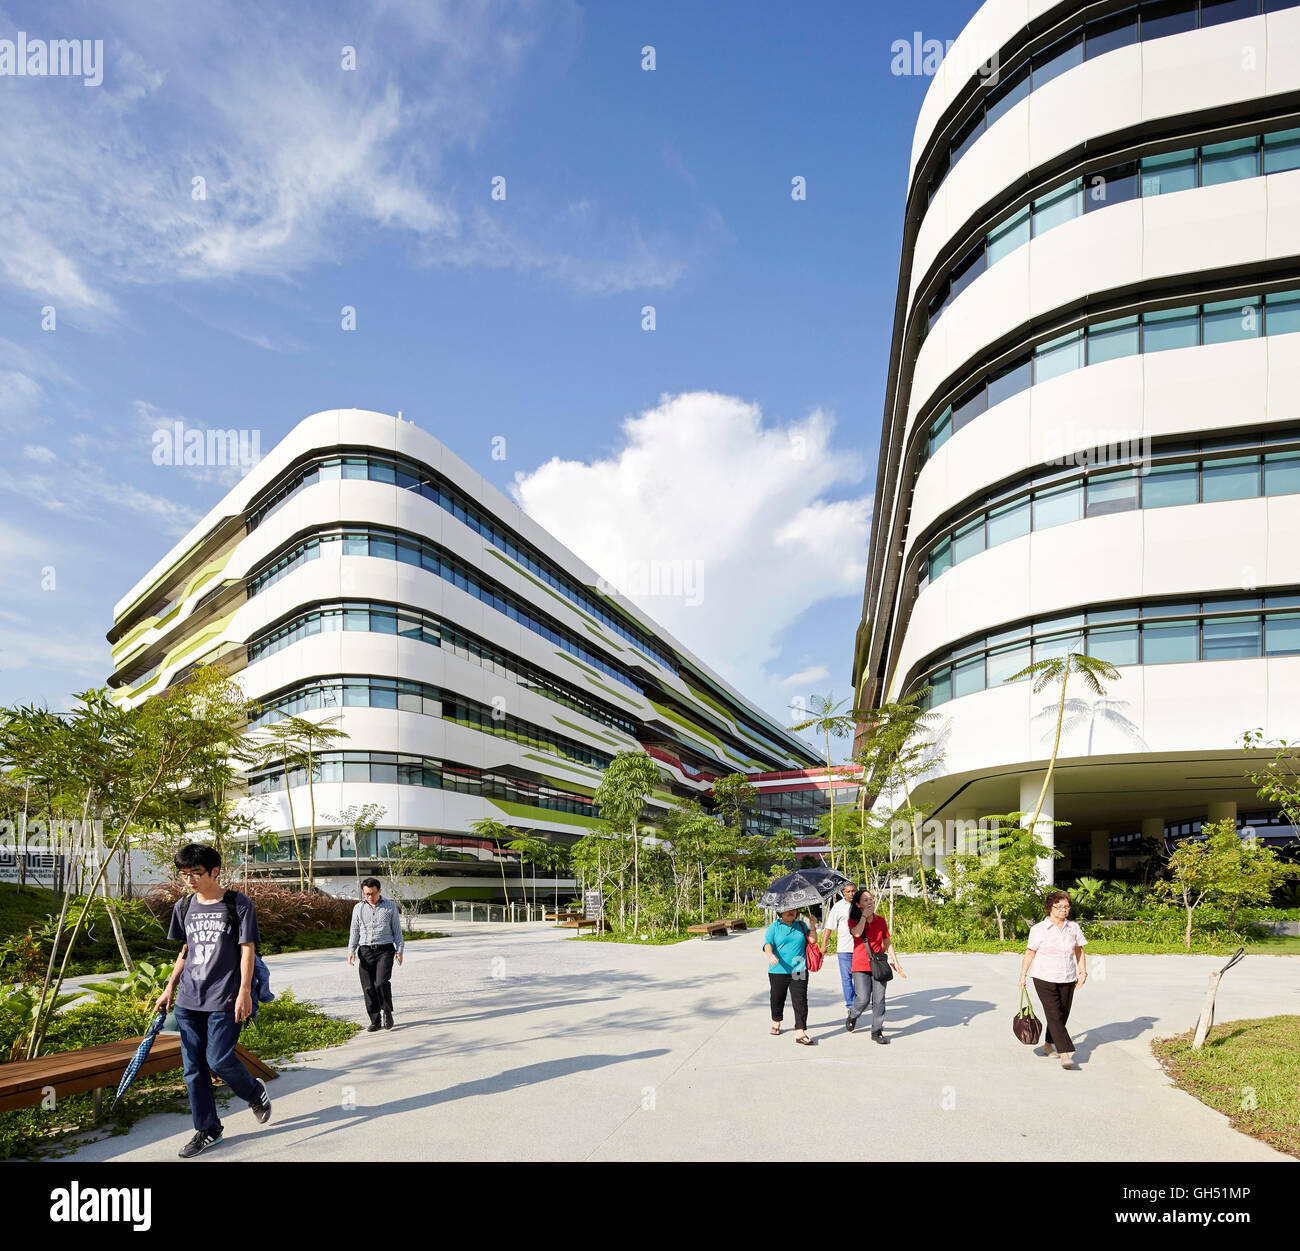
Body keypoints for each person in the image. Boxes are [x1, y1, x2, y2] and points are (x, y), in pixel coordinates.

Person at [157, 843, 271, 1159]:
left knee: (218, 1059)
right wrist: (169, 988)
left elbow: (247, 949)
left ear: (215, 871)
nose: (190, 880)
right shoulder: (183, 907)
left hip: (226, 997)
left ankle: (253, 1091)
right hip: (189, 1000)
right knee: (193, 1069)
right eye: (184, 875)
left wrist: (245, 992)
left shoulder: (238, 904)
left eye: (196, 873)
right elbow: (185, 950)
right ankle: (208, 1130)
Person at [1019, 889, 1088, 1069]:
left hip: (1067, 977)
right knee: (1054, 1013)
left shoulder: (1073, 928)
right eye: (1060, 907)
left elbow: (1079, 950)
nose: (1064, 910)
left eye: (1067, 907)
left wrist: (1083, 972)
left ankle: (1048, 1044)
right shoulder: (1039, 930)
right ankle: (1065, 1053)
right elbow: (1030, 952)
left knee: (1062, 1014)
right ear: (1049, 908)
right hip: (1044, 977)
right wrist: (1023, 974)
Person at [846, 888, 903, 1043]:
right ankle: (853, 1014)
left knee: (879, 999)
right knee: (863, 999)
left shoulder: (881, 920)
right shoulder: (853, 920)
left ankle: (877, 1031)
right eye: (865, 900)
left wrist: (896, 961)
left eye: (870, 899)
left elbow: (887, 941)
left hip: (878, 963)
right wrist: (864, 917)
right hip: (860, 965)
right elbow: (857, 933)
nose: (869, 902)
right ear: (858, 904)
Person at [348, 877, 405, 1031]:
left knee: (381, 982)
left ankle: (387, 1012)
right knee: (368, 987)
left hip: (385, 950)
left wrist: (399, 950)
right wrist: (351, 950)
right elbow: (354, 931)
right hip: (365, 951)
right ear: (363, 892)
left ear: (379, 891)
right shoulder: (358, 908)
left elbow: (397, 931)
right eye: (367, 894)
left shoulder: (390, 906)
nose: (370, 897)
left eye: (373, 893)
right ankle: (375, 1020)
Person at [763, 908, 817, 1045]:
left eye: (794, 910)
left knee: (800, 1000)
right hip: (778, 970)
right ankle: (776, 1021)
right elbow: (767, 944)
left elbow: (812, 940)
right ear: (780, 912)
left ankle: (800, 1031)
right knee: (777, 998)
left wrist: (812, 926)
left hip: (799, 968)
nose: (791, 912)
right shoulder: (774, 927)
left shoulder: (801, 925)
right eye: (788, 910)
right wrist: (770, 955)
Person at [819, 880, 858, 1014]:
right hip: (844, 949)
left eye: (853, 891)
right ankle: (851, 1005)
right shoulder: (838, 907)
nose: (852, 894)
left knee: (861, 978)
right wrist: (823, 945)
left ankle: (860, 1000)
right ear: (843, 893)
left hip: (861, 949)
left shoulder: (862, 905)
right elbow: (829, 928)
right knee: (847, 978)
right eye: (848, 891)